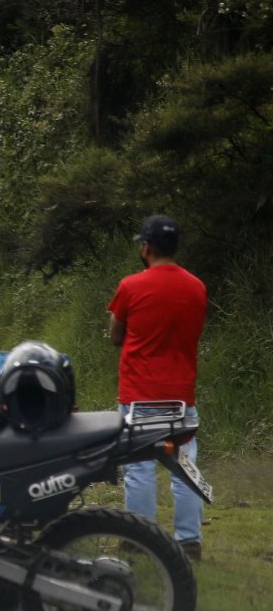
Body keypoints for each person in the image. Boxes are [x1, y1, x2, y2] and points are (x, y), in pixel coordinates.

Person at [108, 214, 207, 560]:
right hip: (181, 395)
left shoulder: (131, 286)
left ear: (146, 247)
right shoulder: (196, 287)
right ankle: (189, 541)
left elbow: (115, 335)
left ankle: (138, 539)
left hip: (140, 395)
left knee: (138, 468)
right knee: (184, 466)